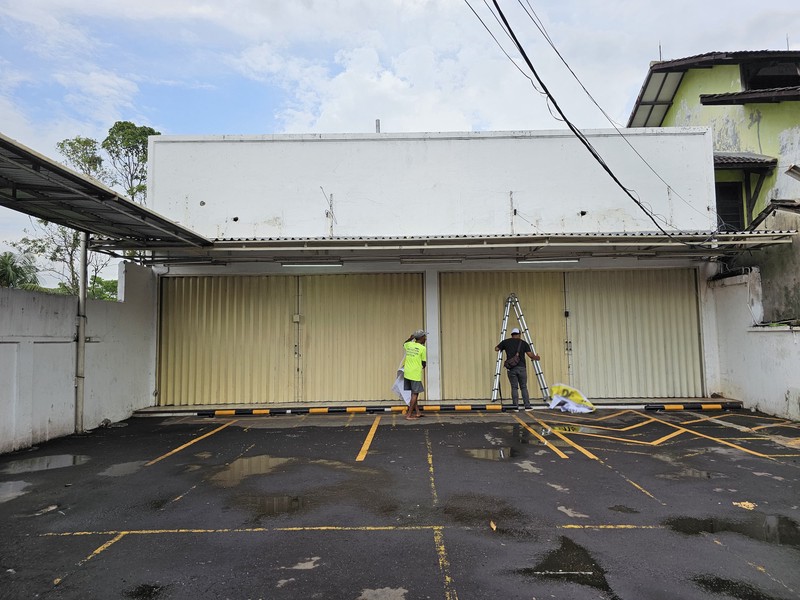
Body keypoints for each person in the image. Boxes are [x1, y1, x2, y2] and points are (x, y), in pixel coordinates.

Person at [495, 327, 540, 410]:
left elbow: (496, 349)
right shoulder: (523, 343)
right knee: (523, 387)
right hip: (522, 368)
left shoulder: (506, 342)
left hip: (511, 369)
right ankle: (527, 406)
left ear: (512, 334)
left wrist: (503, 348)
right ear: (519, 334)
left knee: (514, 387)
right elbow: (530, 355)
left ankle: (515, 406)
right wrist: (537, 357)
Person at [403, 329, 427, 420]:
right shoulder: (422, 348)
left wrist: (410, 338)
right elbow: (424, 363)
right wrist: (423, 366)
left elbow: (404, 343)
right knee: (415, 394)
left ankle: (417, 412)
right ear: (421, 338)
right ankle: (409, 415)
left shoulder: (409, 345)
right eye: (424, 336)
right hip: (415, 373)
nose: (426, 338)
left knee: (413, 392)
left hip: (407, 372)